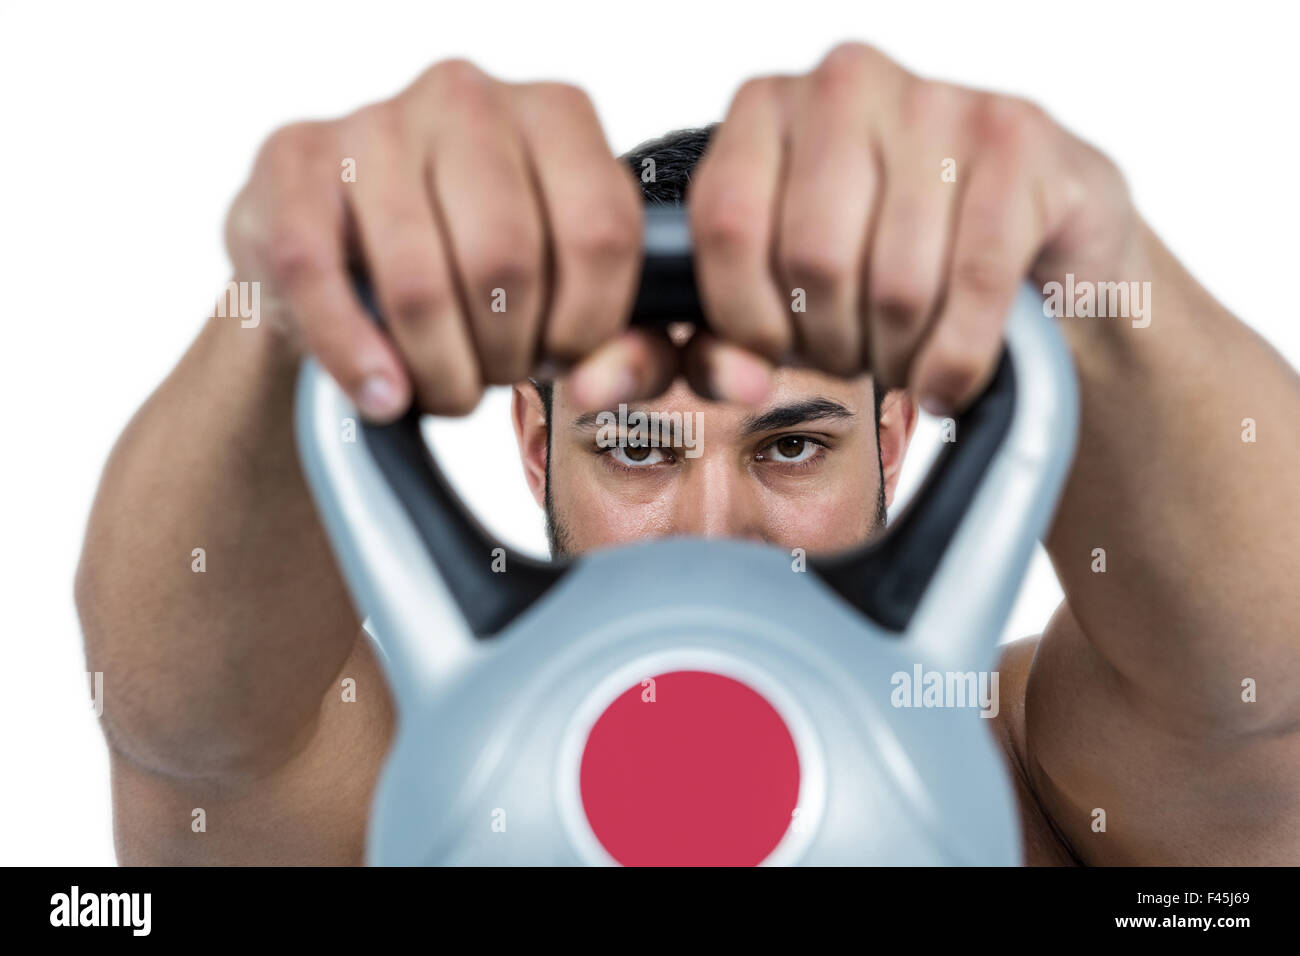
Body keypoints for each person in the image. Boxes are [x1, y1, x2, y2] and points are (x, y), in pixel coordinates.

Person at [76, 43, 1300, 865]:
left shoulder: (1029, 758)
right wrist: (302, 309)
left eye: (792, 445)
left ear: (888, 436)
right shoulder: (415, 780)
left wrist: (1085, 269)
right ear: (533, 439)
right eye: (636, 449)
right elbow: (187, 731)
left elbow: (1257, 692)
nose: (717, 525)